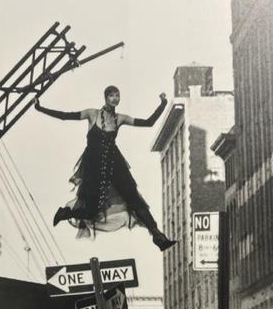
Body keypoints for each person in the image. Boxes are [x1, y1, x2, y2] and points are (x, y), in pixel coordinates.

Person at [34, 86, 176, 251]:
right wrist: (40, 107)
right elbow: (65, 116)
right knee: (91, 211)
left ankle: (158, 237)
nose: (115, 98)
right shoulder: (91, 114)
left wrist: (163, 104)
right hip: (93, 165)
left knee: (134, 199)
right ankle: (66, 213)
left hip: (115, 164)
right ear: (105, 97)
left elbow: (148, 122)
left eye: (117, 95)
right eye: (111, 95)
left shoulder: (120, 118)